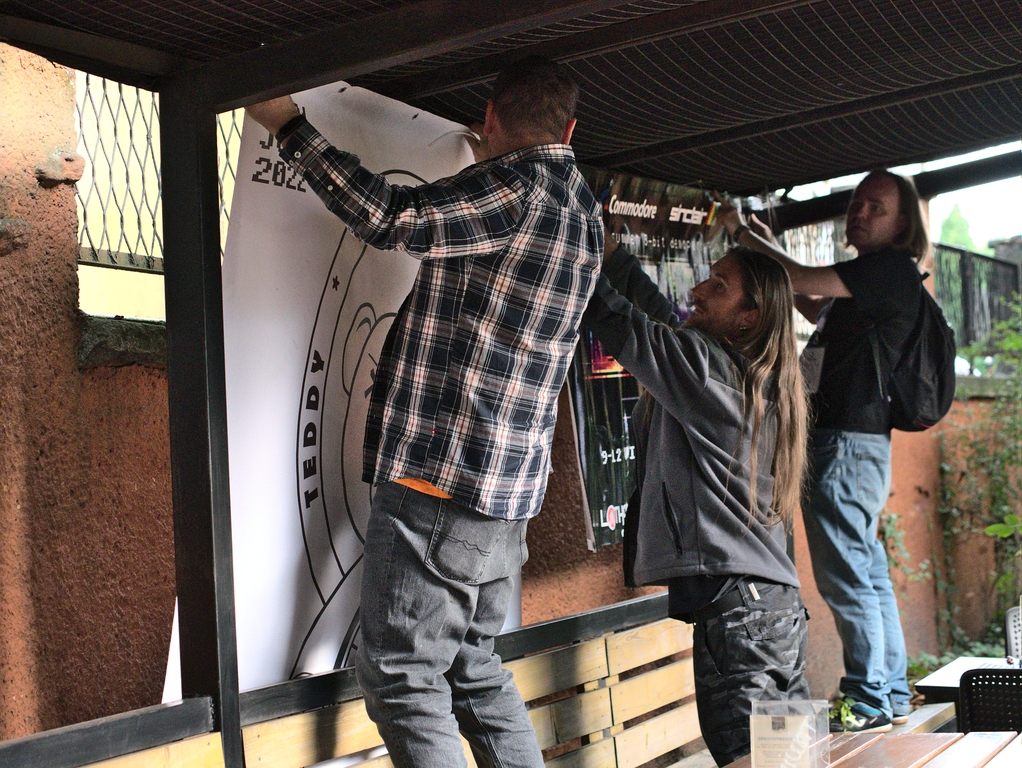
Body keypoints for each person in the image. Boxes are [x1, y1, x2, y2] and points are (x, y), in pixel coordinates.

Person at [246, 57, 603, 768]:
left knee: (402, 678)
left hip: (442, 483)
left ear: (490, 116)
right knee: (473, 669)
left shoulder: (513, 190)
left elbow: (389, 215)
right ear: (569, 130)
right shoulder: (585, 212)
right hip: (505, 501)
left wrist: (286, 123)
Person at [583, 237, 810, 767]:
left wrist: (560, 246)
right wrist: (613, 257)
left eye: (719, 286)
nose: (698, 290)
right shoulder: (752, 376)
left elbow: (628, 326)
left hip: (742, 617)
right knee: (789, 762)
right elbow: (663, 321)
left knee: (754, 763)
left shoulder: (704, 368)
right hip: (775, 611)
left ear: (749, 317)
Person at [717, 170, 930, 733]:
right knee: (867, 571)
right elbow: (812, 302)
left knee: (848, 577)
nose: (860, 212)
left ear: (903, 224)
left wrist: (743, 234)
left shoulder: (886, 269)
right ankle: (889, 692)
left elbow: (796, 276)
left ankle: (867, 697)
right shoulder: (871, 283)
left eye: (876, 207)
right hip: (855, 446)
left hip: (846, 445)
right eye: (857, 203)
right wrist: (769, 245)